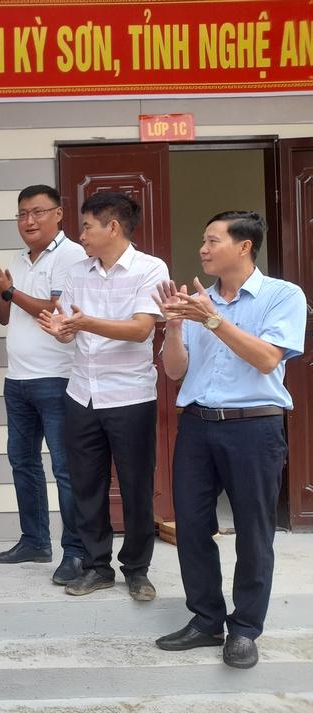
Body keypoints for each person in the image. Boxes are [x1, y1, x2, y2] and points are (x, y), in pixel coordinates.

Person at [153, 211, 306, 669]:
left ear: (244, 246)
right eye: (203, 240)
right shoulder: (198, 302)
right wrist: (175, 326)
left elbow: (267, 359)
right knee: (192, 527)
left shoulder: (282, 295)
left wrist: (213, 320)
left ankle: (244, 630)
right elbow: (175, 371)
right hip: (197, 425)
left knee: (254, 533)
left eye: (212, 240)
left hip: (254, 427)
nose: (202, 249)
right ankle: (205, 620)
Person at [38, 192, 168, 601]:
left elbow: (141, 329)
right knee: (85, 486)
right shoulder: (78, 272)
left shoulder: (150, 268)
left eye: (87, 226)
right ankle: (97, 567)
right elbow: (69, 327)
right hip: (82, 393)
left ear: (112, 227)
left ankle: (137, 570)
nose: (81, 235)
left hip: (130, 395)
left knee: (135, 486)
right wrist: (62, 331)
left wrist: (85, 323)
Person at [0, 185, 88, 584]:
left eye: (38, 212)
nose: (29, 221)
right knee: (22, 462)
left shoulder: (71, 255)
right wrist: (2, 292)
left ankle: (75, 552)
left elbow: (55, 308)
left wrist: (7, 290)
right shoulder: (18, 259)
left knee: (65, 469)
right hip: (18, 379)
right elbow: (6, 317)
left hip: (57, 378)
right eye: (22, 214)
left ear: (59, 214)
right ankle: (35, 541)